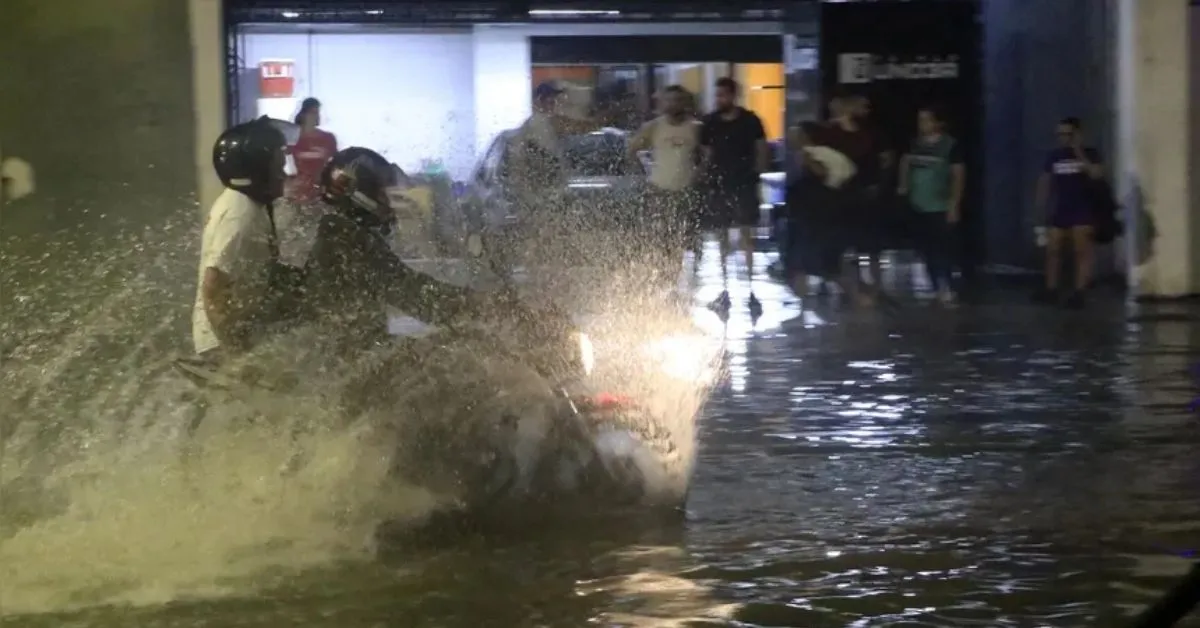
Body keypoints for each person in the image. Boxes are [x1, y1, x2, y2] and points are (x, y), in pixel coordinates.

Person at [303, 147, 572, 351]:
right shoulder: (346, 241)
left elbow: (410, 287)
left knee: (454, 348)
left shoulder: (342, 234)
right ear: (360, 193)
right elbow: (414, 292)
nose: (390, 204)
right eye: (383, 194)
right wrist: (491, 305)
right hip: (349, 363)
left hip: (356, 353)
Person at [192, 117, 301, 361]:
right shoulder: (238, 213)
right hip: (222, 343)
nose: (284, 175)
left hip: (239, 331)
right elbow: (213, 290)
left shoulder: (250, 204)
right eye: (278, 167)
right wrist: (238, 360)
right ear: (256, 171)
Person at [698, 77, 770, 315]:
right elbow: (706, 154)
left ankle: (750, 289)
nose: (719, 100)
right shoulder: (710, 123)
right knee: (722, 239)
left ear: (733, 95)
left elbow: (761, 150)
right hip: (720, 186)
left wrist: (756, 175)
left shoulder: (750, 121)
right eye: (717, 95)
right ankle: (726, 288)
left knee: (746, 237)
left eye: (723, 95)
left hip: (744, 184)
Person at [627, 85, 702, 287]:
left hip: (684, 191)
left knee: (679, 239)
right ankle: (659, 278)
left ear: (684, 103)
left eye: (677, 100)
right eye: (669, 100)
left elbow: (705, 156)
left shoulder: (695, 128)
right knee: (659, 237)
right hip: (659, 190)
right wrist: (643, 175)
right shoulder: (654, 127)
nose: (673, 104)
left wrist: (698, 176)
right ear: (663, 103)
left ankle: (672, 279)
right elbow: (632, 149)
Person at [897, 105, 965, 305]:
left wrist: (954, 203)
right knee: (926, 248)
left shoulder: (950, 145)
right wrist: (903, 186)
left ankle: (948, 285)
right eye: (920, 120)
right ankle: (935, 285)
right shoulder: (915, 144)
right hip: (918, 205)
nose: (922, 124)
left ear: (939, 122)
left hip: (940, 205)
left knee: (942, 248)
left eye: (927, 120)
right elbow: (906, 163)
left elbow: (958, 175)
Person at [1034, 116, 1104, 308]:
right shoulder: (1054, 156)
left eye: (1068, 134)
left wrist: (1079, 152)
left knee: (1081, 250)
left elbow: (1096, 174)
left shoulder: (1091, 153)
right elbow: (1045, 181)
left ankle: (1080, 291)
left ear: (1077, 134)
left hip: (1083, 208)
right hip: (1060, 208)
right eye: (1060, 134)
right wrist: (1041, 207)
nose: (1063, 138)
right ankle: (1051, 289)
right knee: (1053, 249)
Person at [821, 94, 884, 307]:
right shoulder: (832, 134)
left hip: (860, 194)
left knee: (867, 246)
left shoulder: (866, 133)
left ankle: (871, 289)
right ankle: (858, 289)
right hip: (845, 196)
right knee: (851, 246)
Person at [288, 97, 338, 203]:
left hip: (322, 193)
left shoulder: (328, 138)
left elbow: (337, 165)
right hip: (296, 194)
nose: (316, 116)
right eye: (312, 112)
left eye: (317, 112)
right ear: (303, 114)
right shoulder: (291, 138)